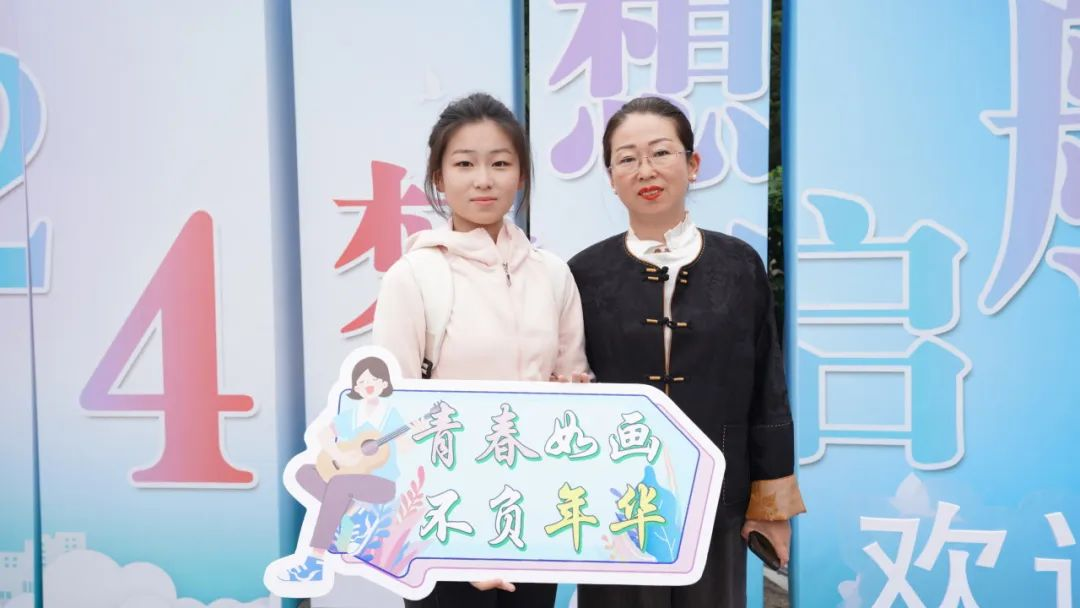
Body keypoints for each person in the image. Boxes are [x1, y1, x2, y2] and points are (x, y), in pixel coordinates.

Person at [568, 96, 806, 608]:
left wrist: (770, 504)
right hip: (615, 498)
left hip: (718, 491)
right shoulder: (583, 273)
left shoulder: (739, 265)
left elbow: (768, 386)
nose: (645, 170)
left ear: (692, 163)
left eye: (661, 152)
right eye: (626, 159)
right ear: (610, 178)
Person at [373, 92, 590, 608]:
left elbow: (575, 385)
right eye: (465, 164)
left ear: (522, 175)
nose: (484, 180)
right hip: (441, 520)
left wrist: (574, 392)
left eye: (500, 163)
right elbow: (391, 414)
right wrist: (457, 540)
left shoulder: (552, 274)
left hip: (533, 516)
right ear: (438, 178)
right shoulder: (413, 276)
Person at [278, 356, 409, 583]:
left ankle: (315, 562)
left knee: (339, 485)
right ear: (355, 387)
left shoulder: (391, 415)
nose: (368, 384)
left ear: (384, 383)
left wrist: (413, 434)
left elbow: (407, 448)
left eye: (374, 379)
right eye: (362, 381)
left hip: (382, 483)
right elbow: (324, 435)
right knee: (304, 472)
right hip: (347, 476)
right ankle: (354, 512)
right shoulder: (352, 415)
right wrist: (340, 455)